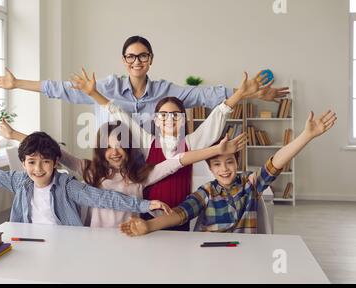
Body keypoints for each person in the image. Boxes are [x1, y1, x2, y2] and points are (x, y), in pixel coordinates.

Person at [69, 68, 268, 231]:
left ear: (183, 120)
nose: (169, 119)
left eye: (175, 115)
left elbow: (217, 116)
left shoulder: (191, 143)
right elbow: (120, 115)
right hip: (148, 217)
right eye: (164, 115)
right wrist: (93, 93)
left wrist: (239, 94)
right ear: (156, 120)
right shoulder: (148, 142)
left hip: (179, 216)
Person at [119, 110, 337, 235]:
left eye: (230, 162)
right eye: (217, 165)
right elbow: (179, 214)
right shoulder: (206, 192)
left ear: (237, 163)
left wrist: (306, 136)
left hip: (245, 254)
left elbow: (276, 162)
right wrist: (148, 225)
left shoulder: (250, 186)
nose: (224, 169)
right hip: (209, 256)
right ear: (210, 168)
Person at [0, 35, 289, 126]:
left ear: (151, 60)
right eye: (131, 57)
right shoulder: (104, 87)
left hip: (151, 162)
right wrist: (17, 84)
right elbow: (59, 90)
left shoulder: (165, 91)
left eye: (142, 56)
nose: (137, 62)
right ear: (124, 61)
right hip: (113, 162)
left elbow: (207, 95)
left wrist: (254, 93)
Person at [0, 120, 246, 228]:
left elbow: (177, 161)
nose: (114, 152)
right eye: (107, 147)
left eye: (119, 146)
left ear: (128, 148)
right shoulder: (90, 170)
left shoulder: (141, 174)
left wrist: (215, 149)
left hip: (129, 236)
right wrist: (16, 134)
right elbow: (53, 150)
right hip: (93, 238)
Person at [0, 132, 171, 225]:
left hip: (64, 243)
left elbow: (104, 197)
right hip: (26, 240)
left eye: (45, 162)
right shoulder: (19, 182)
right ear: (23, 164)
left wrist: (144, 205)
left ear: (55, 163)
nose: (38, 169)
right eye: (31, 162)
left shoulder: (68, 186)